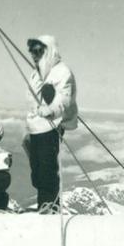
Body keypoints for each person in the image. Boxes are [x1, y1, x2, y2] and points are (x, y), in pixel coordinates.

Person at [23, 35, 78, 214]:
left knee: (47, 168)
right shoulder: (37, 72)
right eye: (32, 51)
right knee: (37, 168)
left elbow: (64, 97)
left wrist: (52, 110)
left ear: (49, 50)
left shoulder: (62, 71)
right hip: (35, 126)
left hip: (52, 125)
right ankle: (44, 204)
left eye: (39, 50)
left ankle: (50, 206)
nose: (34, 55)